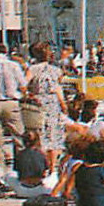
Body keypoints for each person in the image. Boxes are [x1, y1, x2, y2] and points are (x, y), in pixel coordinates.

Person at [24, 42, 68, 172]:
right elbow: (57, 88)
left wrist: (28, 95)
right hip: (53, 103)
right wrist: (63, 104)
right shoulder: (56, 70)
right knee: (53, 136)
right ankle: (52, 167)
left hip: (39, 102)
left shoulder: (32, 69)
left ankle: (42, 166)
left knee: (41, 135)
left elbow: (24, 85)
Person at [0, 42, 27, 164]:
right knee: (18, 135)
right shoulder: (13, 65)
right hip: (11, 102)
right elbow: (23, 85)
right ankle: (20, 162)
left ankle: (1, 162)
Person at [4, 129, 57, 199]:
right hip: (40, 190)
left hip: (22, 191)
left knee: (9, 175)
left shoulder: (19, 154)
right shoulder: (41, 154)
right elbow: (45, 172)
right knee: (55, 175)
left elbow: (17, 171)